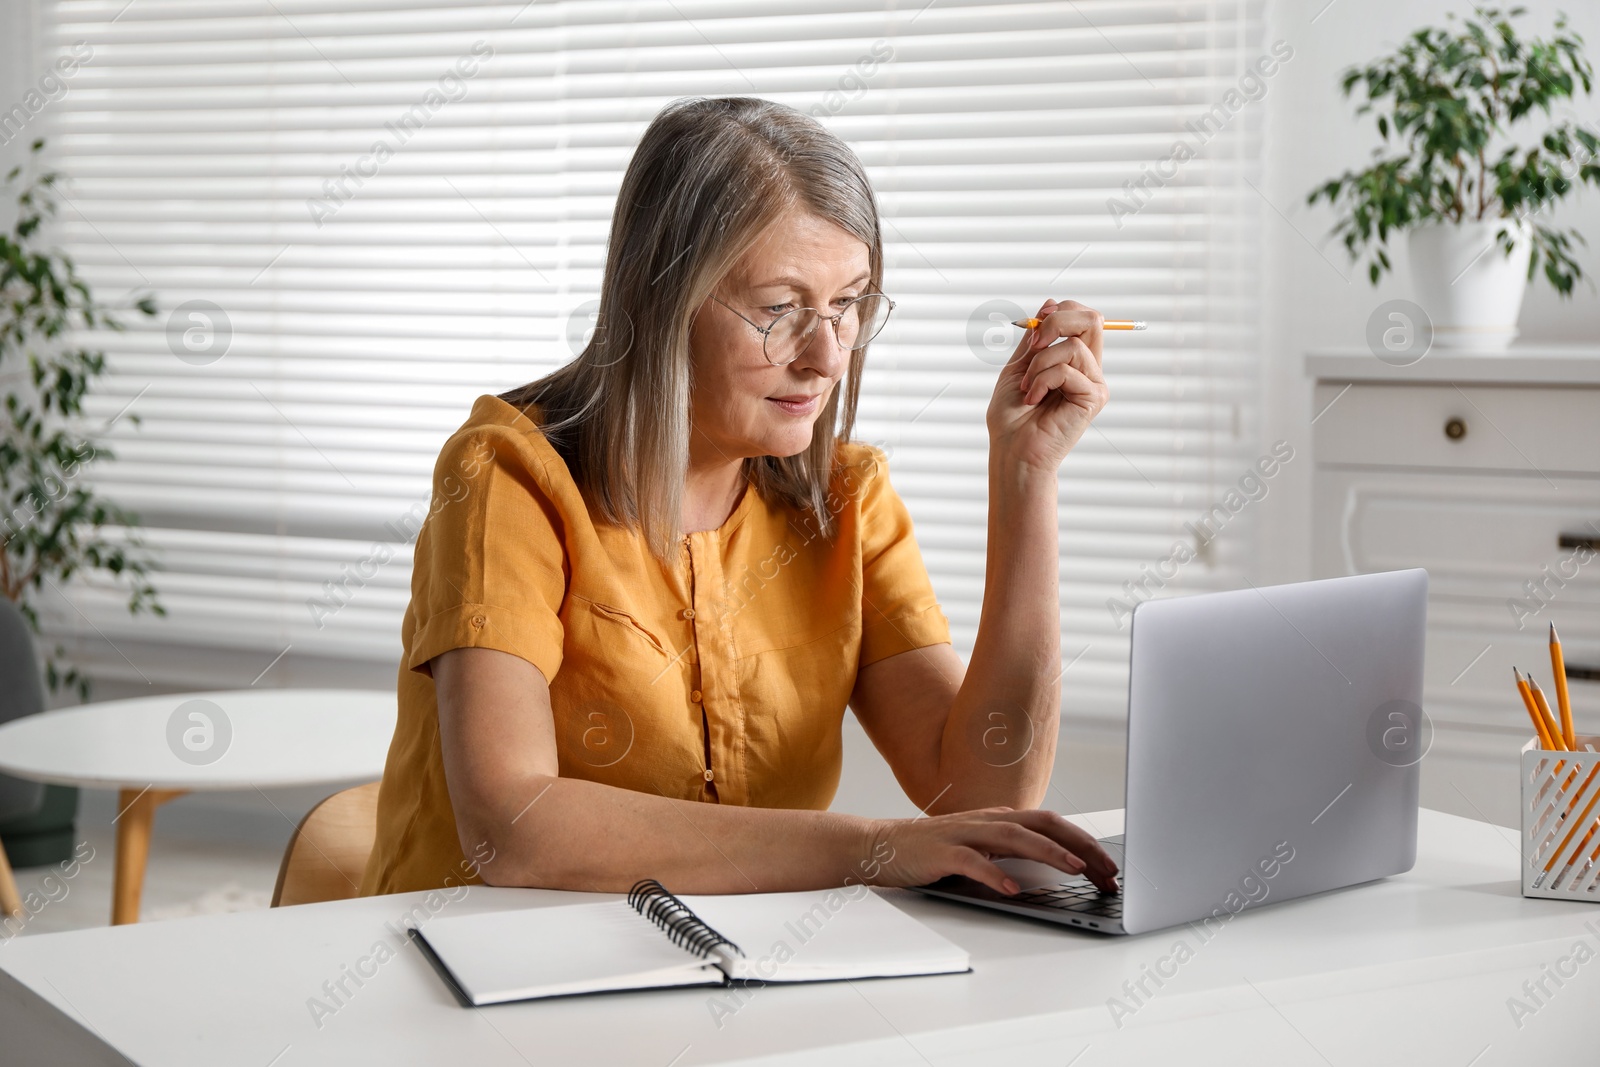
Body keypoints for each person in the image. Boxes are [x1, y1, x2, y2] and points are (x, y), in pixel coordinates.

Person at [359, 96, 1117, 900]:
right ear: (661, 304)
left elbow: (977, 792)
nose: (826, 356)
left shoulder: (845, 496)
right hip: (469, 960)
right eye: (778, 309)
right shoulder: (506, 477)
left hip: (728, 967)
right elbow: (514, 827)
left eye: (849, 304)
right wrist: (869, 846)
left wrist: (1027, 474)